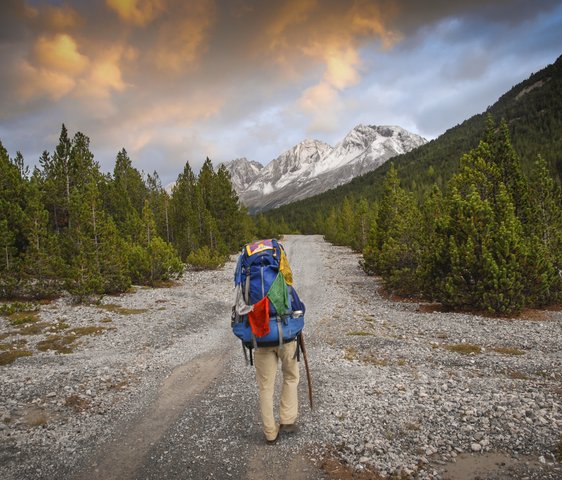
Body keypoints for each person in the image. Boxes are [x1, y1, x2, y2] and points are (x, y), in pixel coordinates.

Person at [254, 337, 299, 444]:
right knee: (290, 378)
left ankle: (270, 434)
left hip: (261, 341)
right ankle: (287, 419)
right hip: (286, 338)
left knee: (265, 388)